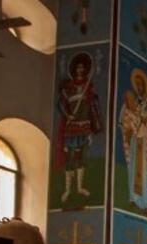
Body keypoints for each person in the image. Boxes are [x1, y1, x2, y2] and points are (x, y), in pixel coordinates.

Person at [56, 52, 101, 204]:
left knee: (82, 157)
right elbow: (61, 104)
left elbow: (92, 104)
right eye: (78, 68)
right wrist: (68, 115)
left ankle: (80, 187)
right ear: (74, 69)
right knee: (69, 158)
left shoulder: (88, 86)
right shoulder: (68, 86)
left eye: (83, 68)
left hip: (84, 126)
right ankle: (68, 189)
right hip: (71, 126)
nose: (80, 70)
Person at [119, 68, 147, 214]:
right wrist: (129, 127)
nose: (139, 87)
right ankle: (135, 199)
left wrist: (143, 123)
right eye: (137, 85)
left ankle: (146, 203)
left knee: (144, 171)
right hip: (136, 141)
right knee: (134, 169)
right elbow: (125, 120)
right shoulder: (133, 103)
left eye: (141, 84)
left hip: (145, 142)